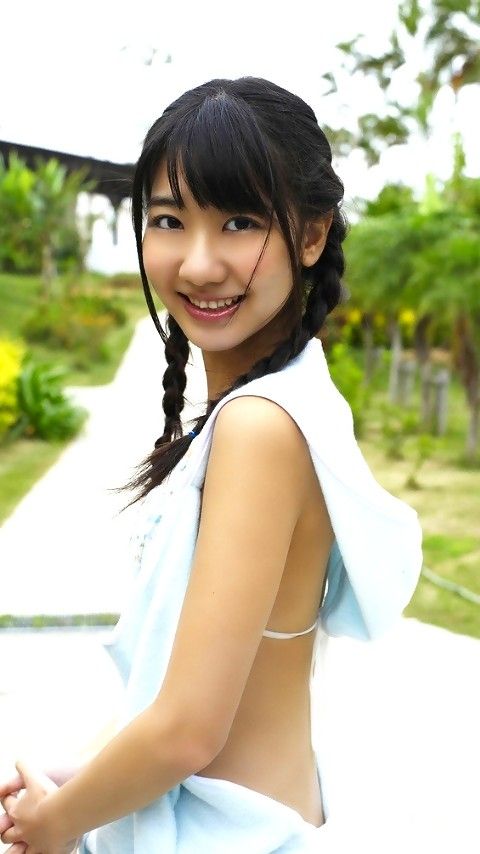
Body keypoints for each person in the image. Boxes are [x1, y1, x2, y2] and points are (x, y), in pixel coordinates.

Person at [0, 76, 423, 853]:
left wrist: (55, 824)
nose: (198, 264)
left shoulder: (259, 428)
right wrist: (72, 780)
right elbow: (186, 693)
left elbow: (189, 729)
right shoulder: (289, 400)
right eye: (169, 220)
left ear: (312, 235)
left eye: (239, 222)